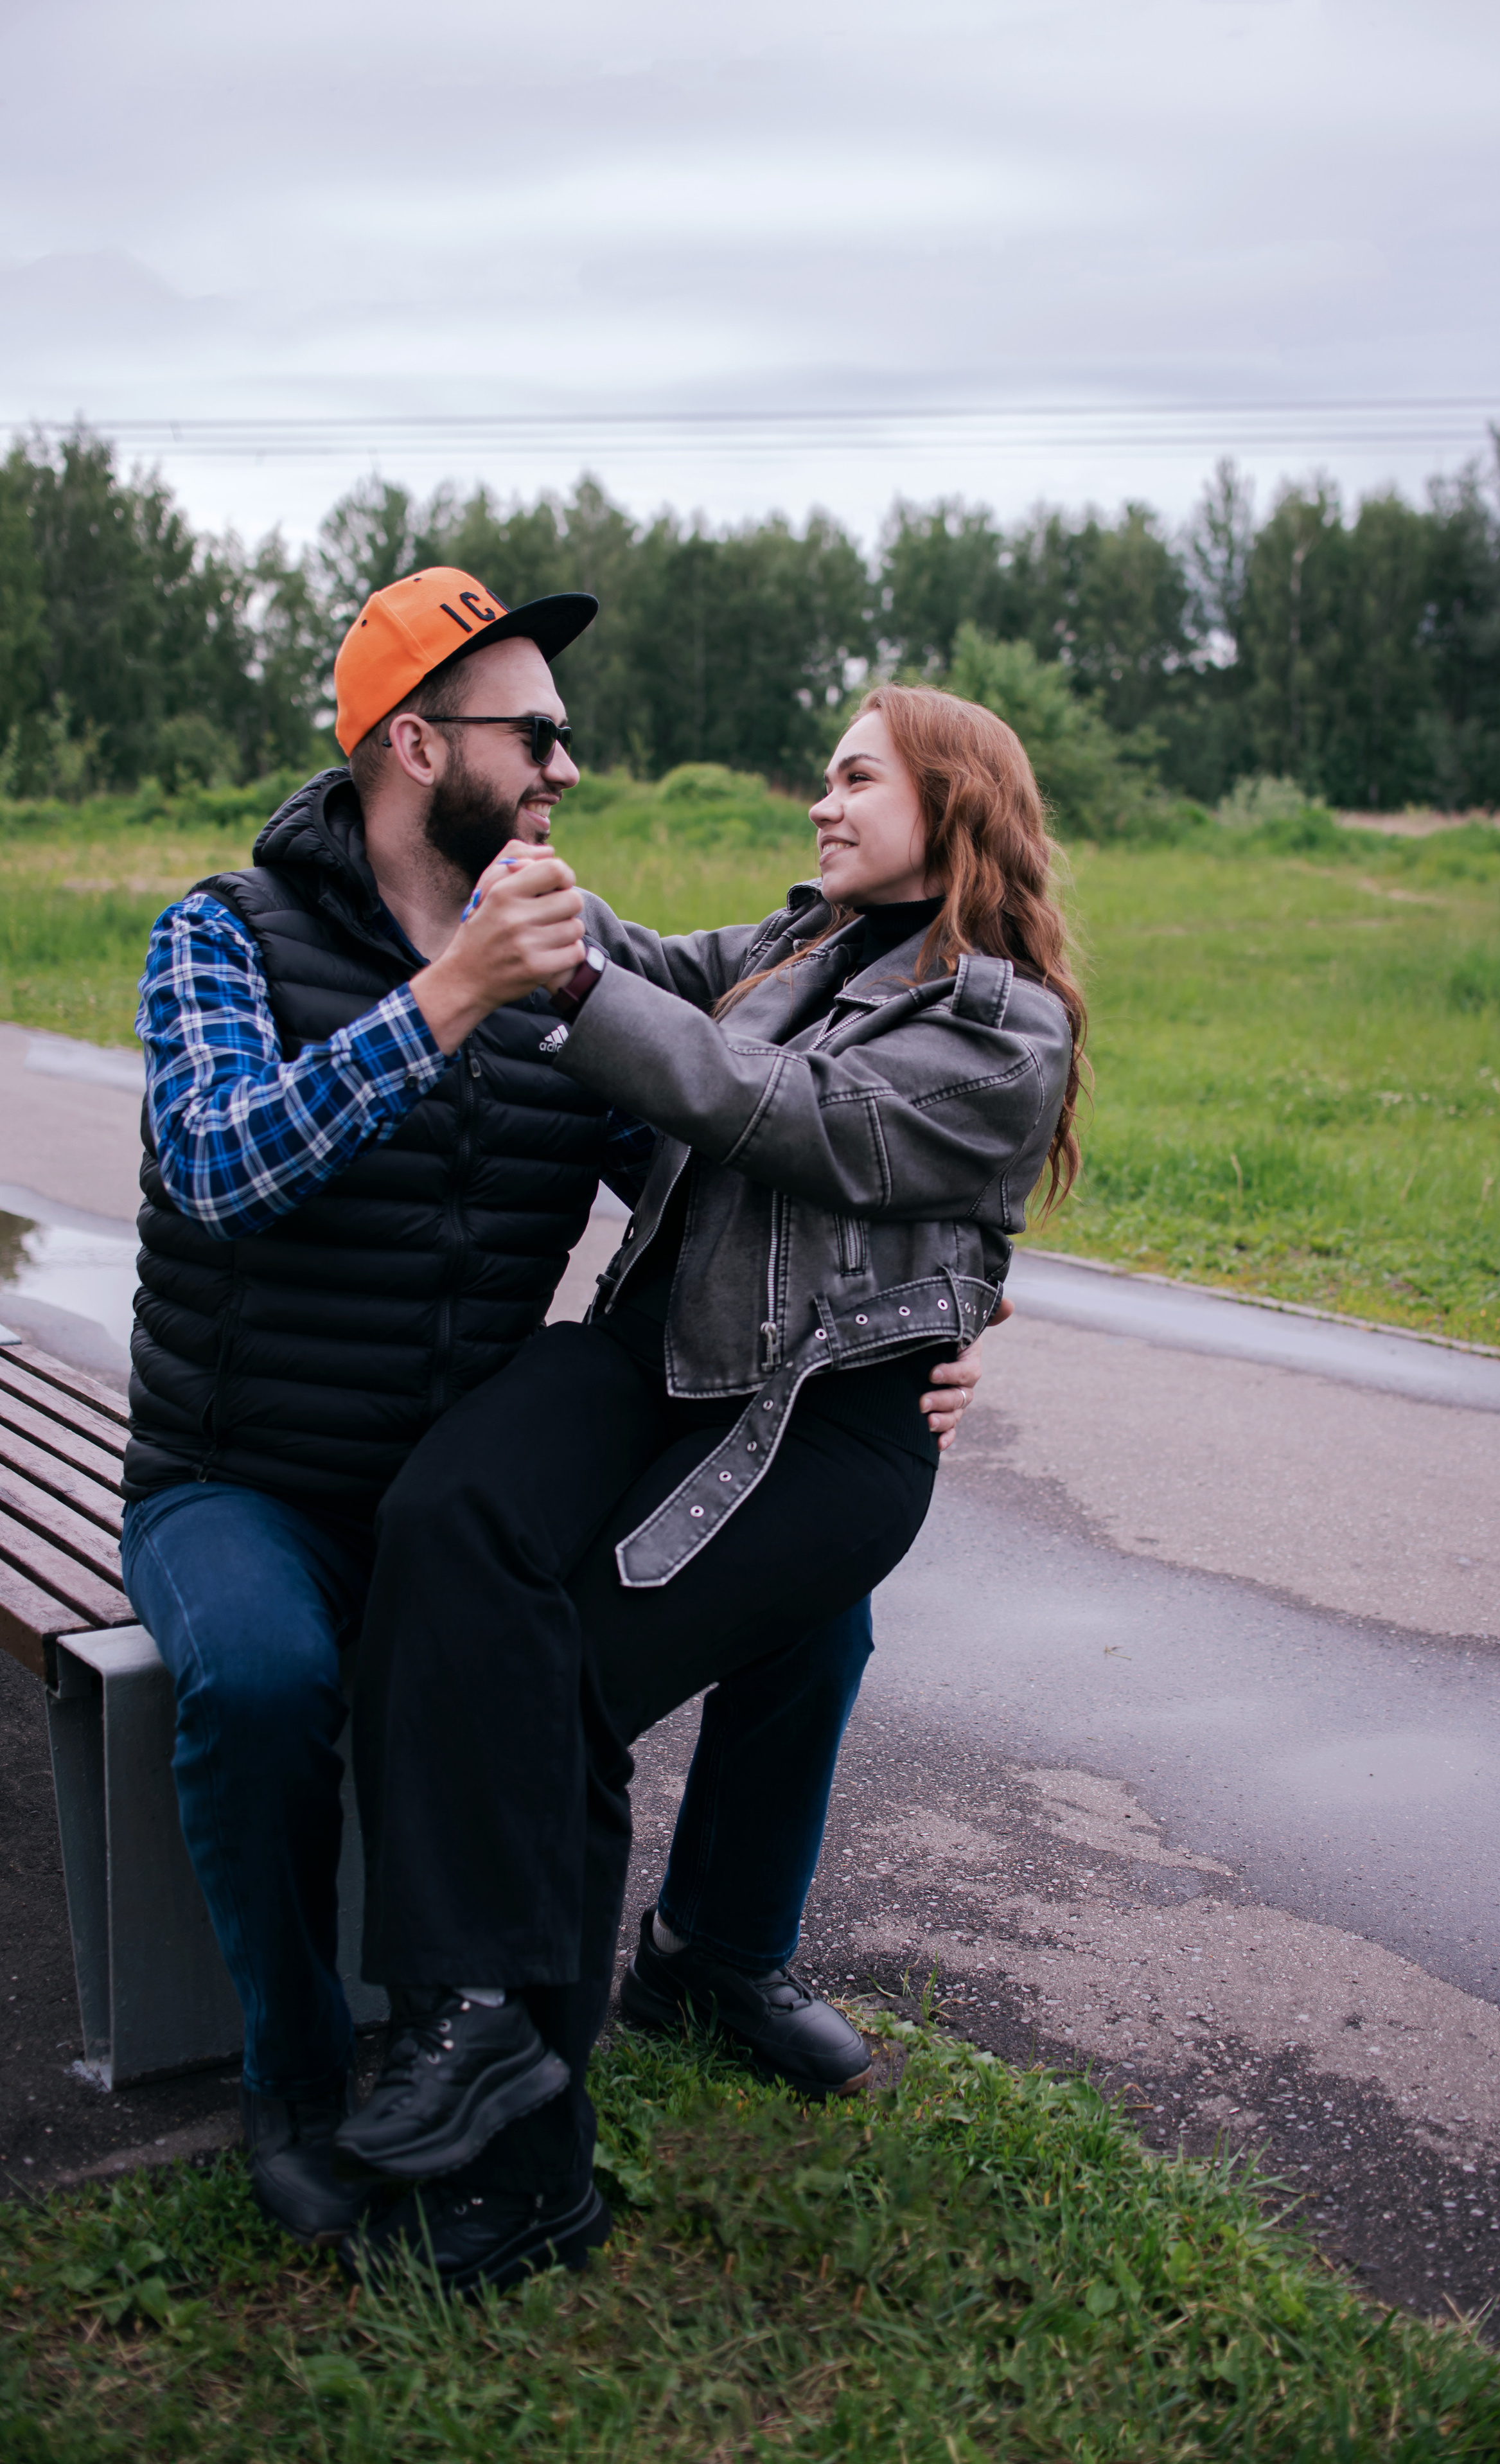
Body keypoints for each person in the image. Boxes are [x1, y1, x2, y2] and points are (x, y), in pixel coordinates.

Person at [117, 571, 987, 2252]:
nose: (566, 771)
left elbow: (717, 1186)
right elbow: (216, 1168)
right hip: (248, 1478)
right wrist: (447, 999)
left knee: (816, 1584)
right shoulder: (224, 930)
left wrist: (924, 1323)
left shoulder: (556, 972)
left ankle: (718, 1953)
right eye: (537, 736)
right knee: (269, 1675)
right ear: (417, 742)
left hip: (456, 1474)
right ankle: (303, 2075)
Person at [336, 682, 1086, 2291]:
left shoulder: (1004, 1021)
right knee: (446, 1514)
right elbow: (664, 971)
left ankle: (521, 2169)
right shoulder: (797, 943)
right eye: (819, 777)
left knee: (558, 1692)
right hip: (651, 1360)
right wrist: (490, 835)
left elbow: (784, 1114)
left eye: (852, 776)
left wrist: (572, 968)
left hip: (823, 1427)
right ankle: (468, 2013)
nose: (818, 803)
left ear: (953, 804)